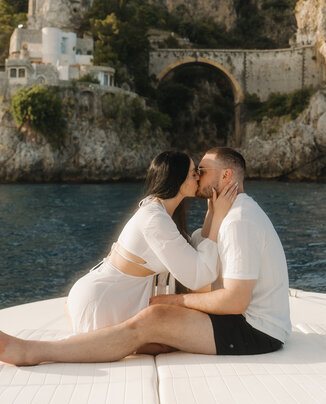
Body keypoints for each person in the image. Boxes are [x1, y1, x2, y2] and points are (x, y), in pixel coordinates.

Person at [0, 147, 291, 366]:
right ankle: (34, 350)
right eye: (195, 171)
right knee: (155, 321)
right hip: (108, 299)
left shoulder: (238, 220)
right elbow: (202, 253)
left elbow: (233, 299)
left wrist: (173, 301)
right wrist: (214, 214)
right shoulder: (225, 215)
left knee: (157, 317)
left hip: (254, 330)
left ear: (226, 176)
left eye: (202, 170)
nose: (198, 176)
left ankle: (34, 350)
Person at [66, 150, 238, 332]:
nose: (198, 177)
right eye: (193, 172)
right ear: (178, 180)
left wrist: (211, 212)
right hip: (103, 302)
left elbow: (193, 254)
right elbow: (198, 277)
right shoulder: (155, 220)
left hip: (110, 296)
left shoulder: (157, 209)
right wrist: (218, 216)